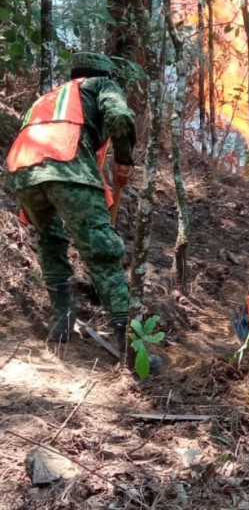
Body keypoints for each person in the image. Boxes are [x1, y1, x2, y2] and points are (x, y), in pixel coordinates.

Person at [5, 52, 136, 356]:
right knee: (102, 251)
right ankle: (131, 345)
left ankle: (61, 318)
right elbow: (120, 116)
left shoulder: (50, 96)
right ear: (104, 74)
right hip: (67, 168)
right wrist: (125, 160)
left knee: (50, 241)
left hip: (23, 171)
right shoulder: (101, 85)